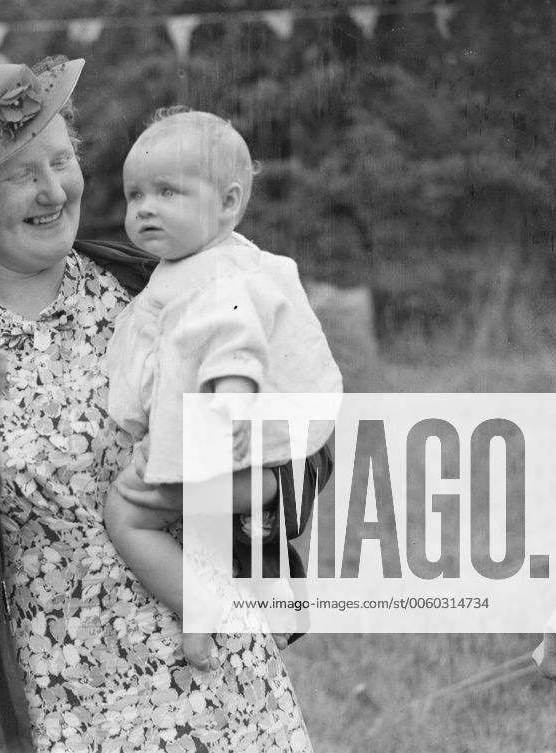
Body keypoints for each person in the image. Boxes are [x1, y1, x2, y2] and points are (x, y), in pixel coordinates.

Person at [0, 56, 331, 752]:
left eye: (62, 159)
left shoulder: (162, 287)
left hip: (225, 682)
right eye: (21, 173)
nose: (54, 188)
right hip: (68, 715)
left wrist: (244, 484)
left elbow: (305, 438)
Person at [102, 108, 342, 670]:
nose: (146, 208)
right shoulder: (213, 264)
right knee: (226, 532)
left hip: (254, 455)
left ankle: (198, 608)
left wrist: (232, 405)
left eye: (167, 192)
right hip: (281, 455)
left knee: (127, 512)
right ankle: (273, 598)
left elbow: (234, 345)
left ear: (229, 203)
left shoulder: (212, 278)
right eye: (135, 195)